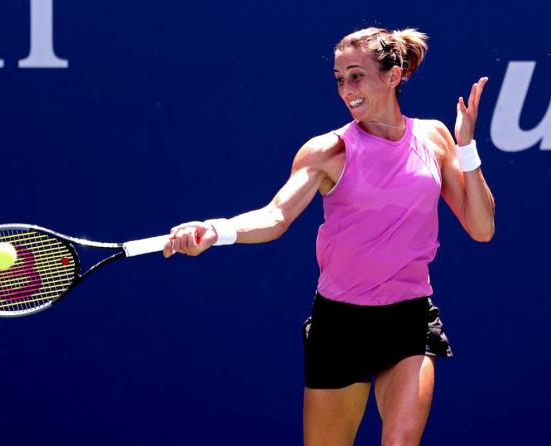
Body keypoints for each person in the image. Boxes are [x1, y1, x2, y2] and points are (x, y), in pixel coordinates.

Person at [162, 27, 495, 446]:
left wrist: (467, 149)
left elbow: (482, 229)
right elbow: (276, 215)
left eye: (356, 76)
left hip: (409, 318)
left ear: (393, 76)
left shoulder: (434, 138)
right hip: (340, 325)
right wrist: (216, 230)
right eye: (339, 79)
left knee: (401, 441)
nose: (346, 89)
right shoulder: (328, 151)